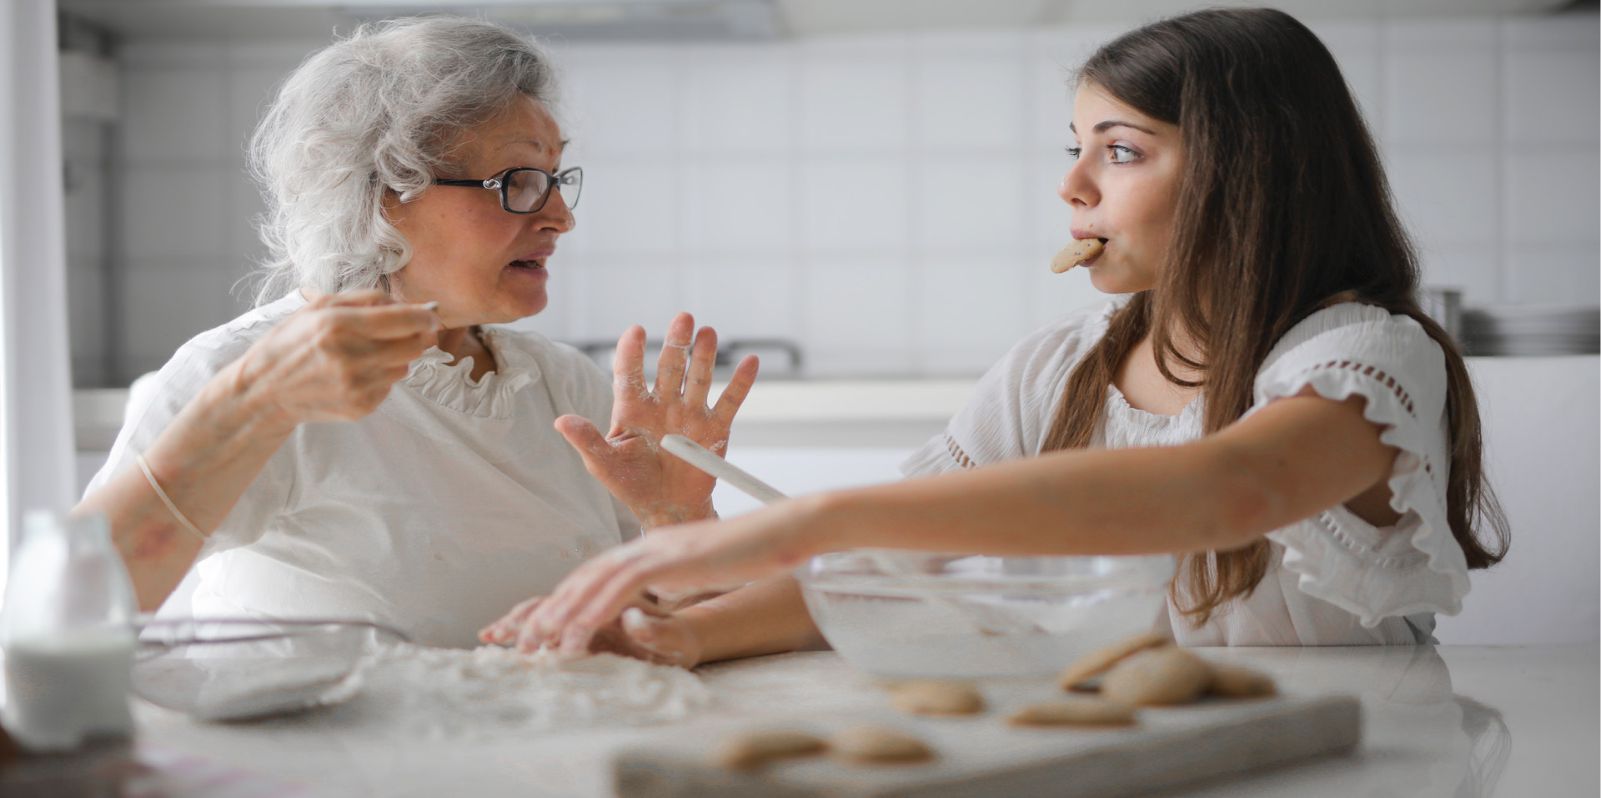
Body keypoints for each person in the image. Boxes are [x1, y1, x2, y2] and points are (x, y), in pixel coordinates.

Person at [485, 7, 1511, 662]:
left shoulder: (1364, 360)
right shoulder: (1056, 369)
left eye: (1118, 150)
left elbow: (1225, 491)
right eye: (1075, 148)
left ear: (1247, 171)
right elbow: (888, 570)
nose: (1069, 184)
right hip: (1138, 756)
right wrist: (683, 614)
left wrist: (820, 515)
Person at [75, 16, 757, 648]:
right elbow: (71, 611)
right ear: (379, 192)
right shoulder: (245, 370)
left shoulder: (564, 386)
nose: (559, 217)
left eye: (555, 179)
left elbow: (685, 629)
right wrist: (250, 405)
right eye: (519, 181)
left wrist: (675, 517)